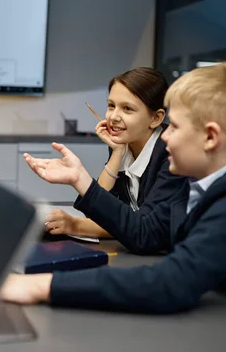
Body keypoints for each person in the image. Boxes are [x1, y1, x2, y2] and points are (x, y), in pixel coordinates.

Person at [0, 61, 226, 327]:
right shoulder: (207, 184)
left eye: (175, 127)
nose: (165, 136)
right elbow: (154, 235)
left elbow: (171, 280)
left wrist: (39, 286)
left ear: (211, 137)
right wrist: (80, 178)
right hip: (217, 324)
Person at [45, 68, 185, 238]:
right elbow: (107, 214)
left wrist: (75, 225)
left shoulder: (172, 153)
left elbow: (145, 227)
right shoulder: (123, 145)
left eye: (127, 109)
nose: (114, 117)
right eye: (111, 106)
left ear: (156, 118)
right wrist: (116, 154)